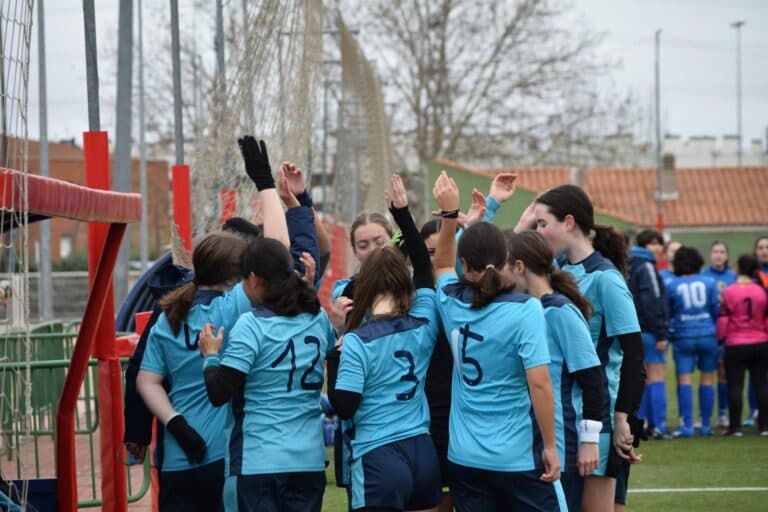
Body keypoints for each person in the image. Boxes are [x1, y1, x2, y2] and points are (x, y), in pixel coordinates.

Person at [433, 172, 564, 511]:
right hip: (515, 457)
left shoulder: (451, 301)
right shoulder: (526, 309)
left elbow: (443, 262)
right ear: (507, 258)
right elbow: (540, 385)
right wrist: (550, 446)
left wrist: (450, 216)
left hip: (464, 457)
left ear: (465, 264)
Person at [516, 184, 644, 512]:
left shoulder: (606, 279)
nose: (538, 231)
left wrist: (621, 419)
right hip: (570, 421)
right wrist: (522, 225)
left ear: (568, 223)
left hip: (598, 421)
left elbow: (633, 355)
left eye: (543, 224)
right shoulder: (558, 271)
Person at [327, 174, 442, 512]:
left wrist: (335, 356)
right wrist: (403, 214)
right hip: (422, 448)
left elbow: (344, 405)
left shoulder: (358, 341)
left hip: (378, 454)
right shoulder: (424, 320)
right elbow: (422, 266)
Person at [199, 234, 335, 511]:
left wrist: (211, 356)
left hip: (258, 461)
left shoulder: (251, 325)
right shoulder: (317, 318)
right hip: (308, 461)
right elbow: (332, 346)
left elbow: (219, 391)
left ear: (254, 278)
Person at [419, 173, 518, 512]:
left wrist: (462, 218)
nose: (434, 258)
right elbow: (476, 259)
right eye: (425, 252)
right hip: (443, 421)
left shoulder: (453, 301)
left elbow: (465, 261)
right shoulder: (521, 307)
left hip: (465, 439)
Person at [504, 230, 605, 512]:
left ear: (519, 267)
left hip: (561, 447)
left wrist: (589, 440)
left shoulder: (561, 312)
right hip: (529, 450)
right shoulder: (522, 311)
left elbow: (592, 379)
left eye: (505, 268)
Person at [666, 246, 719, 438]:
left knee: (684, 379)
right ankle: (705, 425)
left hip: (683, 336)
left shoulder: (672, 285)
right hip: (707, 334)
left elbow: (669, 313)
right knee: (707, 378)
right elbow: (715, 311)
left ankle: (687, 426)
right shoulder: (709, 282)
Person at [716, 254, 768, 437]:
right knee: (761, 385)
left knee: (735, 386)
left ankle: (735, 427)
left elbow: (723, 319)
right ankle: (763, 426)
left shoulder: (729, 291)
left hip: (736, 343)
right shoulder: (761, 291)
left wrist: (721, 338)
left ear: (738, 267)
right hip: (760, 342)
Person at [628, 230, 671, 439]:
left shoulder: (629, 263)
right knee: (656, 376)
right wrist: (661, 333)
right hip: (649, 330)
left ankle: (640, 425)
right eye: (654, 244)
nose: (657, 248)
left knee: (639, 379)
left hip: (632, 330)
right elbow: (652, 300)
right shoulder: (646, 265)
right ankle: (658, 426)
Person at [701, 241, 737, 428]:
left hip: (728, 333)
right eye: (715, 251)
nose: (719, 255)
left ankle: (723, 413)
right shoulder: (703, 276)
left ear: (727, 255)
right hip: (706, 331)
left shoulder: (733, 277)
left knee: (723, 373)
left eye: (722, 252)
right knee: (705, 375)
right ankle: (703, 416)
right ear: (710, 254)